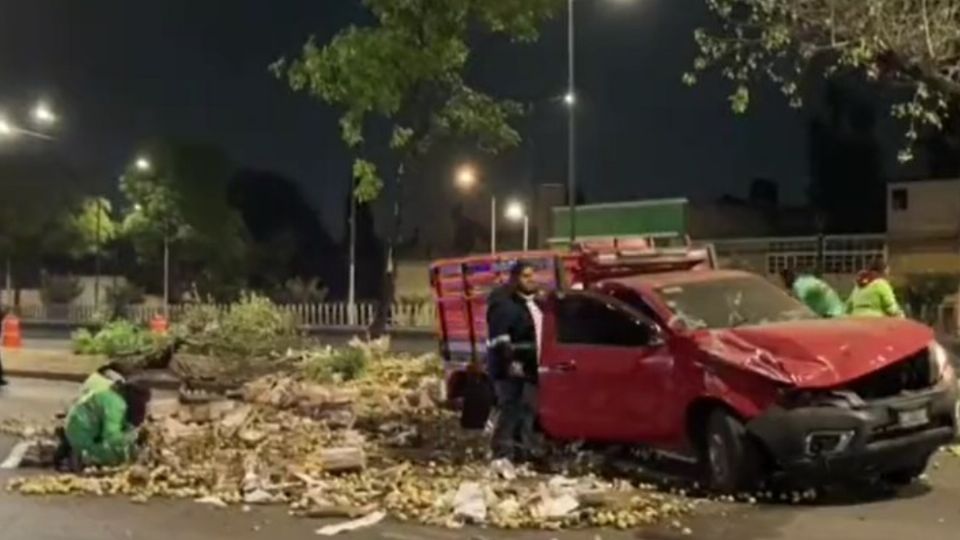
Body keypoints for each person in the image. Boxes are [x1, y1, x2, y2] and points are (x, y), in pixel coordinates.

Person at [485, 261, 542, 462]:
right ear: (515, 278)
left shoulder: (534, 303)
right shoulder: (504, 304)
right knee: (510, 409)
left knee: (527, 410)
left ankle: (521, 453)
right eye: (526, 276)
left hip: (530, 366)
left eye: (533, 275)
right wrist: (511, 362)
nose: (532, 279)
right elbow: (500, 338)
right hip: (508, 367)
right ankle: (501, 453)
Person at [57, 381, 152, 470]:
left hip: (78, 429)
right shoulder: (116, 405)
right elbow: (111, 437)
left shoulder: (112, 397)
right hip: (82, 437)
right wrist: (133, 437)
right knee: (120, 455)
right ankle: (84, 457)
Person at [779, 267, 845, 318]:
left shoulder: (800, 287)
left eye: (782, 280)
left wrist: (790, 314)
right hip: (834, 309)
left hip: (833, 313)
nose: (782, 283)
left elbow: (805, 309)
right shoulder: (803, 281)